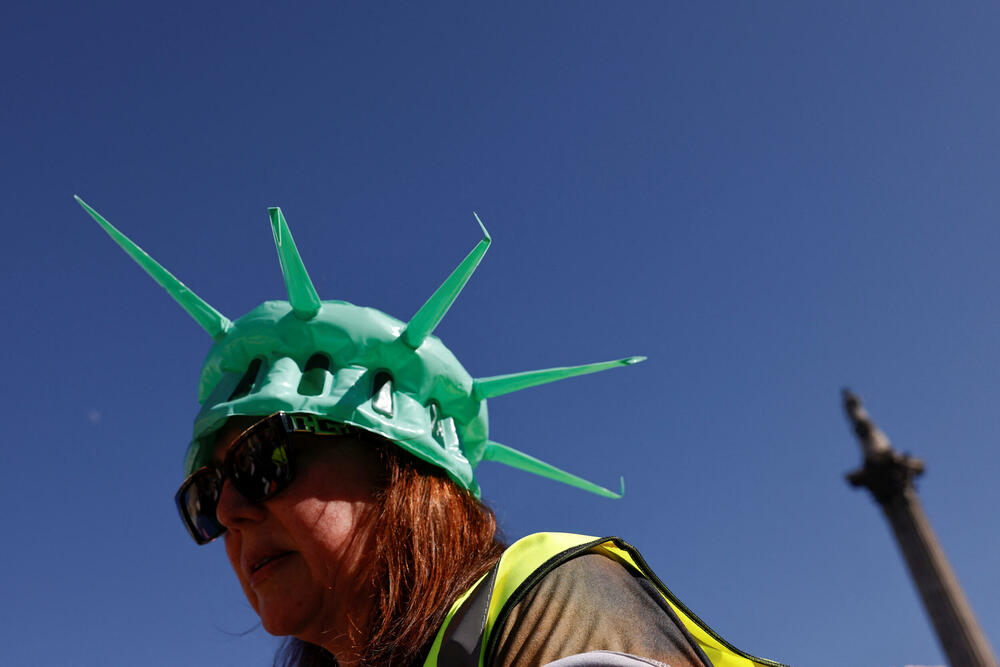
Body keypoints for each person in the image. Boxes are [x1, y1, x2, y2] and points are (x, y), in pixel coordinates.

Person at [78, 197, 788, 667]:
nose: (229, 512)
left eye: (264, 462)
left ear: (401, 470)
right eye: (205, 497)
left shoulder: (552, 598)